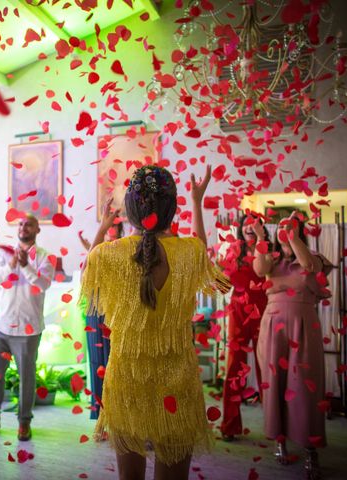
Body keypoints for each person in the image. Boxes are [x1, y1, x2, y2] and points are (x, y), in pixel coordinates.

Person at [81, 165, 230, 480]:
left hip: (127, 376)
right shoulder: (190, 252)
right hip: (177, 377)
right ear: (171, 210)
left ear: (131, 211)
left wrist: (103, 226)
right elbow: (201, 249)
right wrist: (198, 202)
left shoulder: (107, 255)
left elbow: (87, 274)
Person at [253, 212, 332, 480]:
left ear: (300, 231)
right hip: (273, 328)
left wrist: (293, 238)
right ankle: (280, 441)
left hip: (303, 328)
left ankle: (310, 449)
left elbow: (308, 265)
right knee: (275, 383)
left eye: (291, 225)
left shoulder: (315, 258)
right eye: (281, 226)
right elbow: (259, 270)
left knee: (305, 386)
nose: (284, 229)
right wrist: (262, 238)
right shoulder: (272, 262)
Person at [0, 215, 54, 441]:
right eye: (21, 224)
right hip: (2, 326)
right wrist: (12, 265)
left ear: (37, 229)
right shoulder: (5, 254)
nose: (24, 227)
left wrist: (25, 266)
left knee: (27, 377)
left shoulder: (45, 258)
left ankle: (24, 422)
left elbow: (43, 284)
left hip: (28, 328)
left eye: (29, 224)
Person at [218, 214, 270, 441]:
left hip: (265, 312)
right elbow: (221, 287)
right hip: (238, 314)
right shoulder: (233, 253)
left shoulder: (268, 249)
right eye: (246, 223)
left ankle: (275, 427)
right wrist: (216, 270)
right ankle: (229, 425)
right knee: (233, 368)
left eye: (255, 222)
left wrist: (262, 242)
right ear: (240, 229)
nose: (250, 226)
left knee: (267, 370)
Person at [79, 202, 124, 420]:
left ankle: (117, 414)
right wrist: (100, 233)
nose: (111, 227)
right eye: (109, 223)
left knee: (117, 364)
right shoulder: (99, 250)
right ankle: (100, 415)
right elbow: (86, 272)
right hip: (96, 311)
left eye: (115, 223)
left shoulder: (125, 249)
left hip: (118, 312)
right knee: (98, 362)